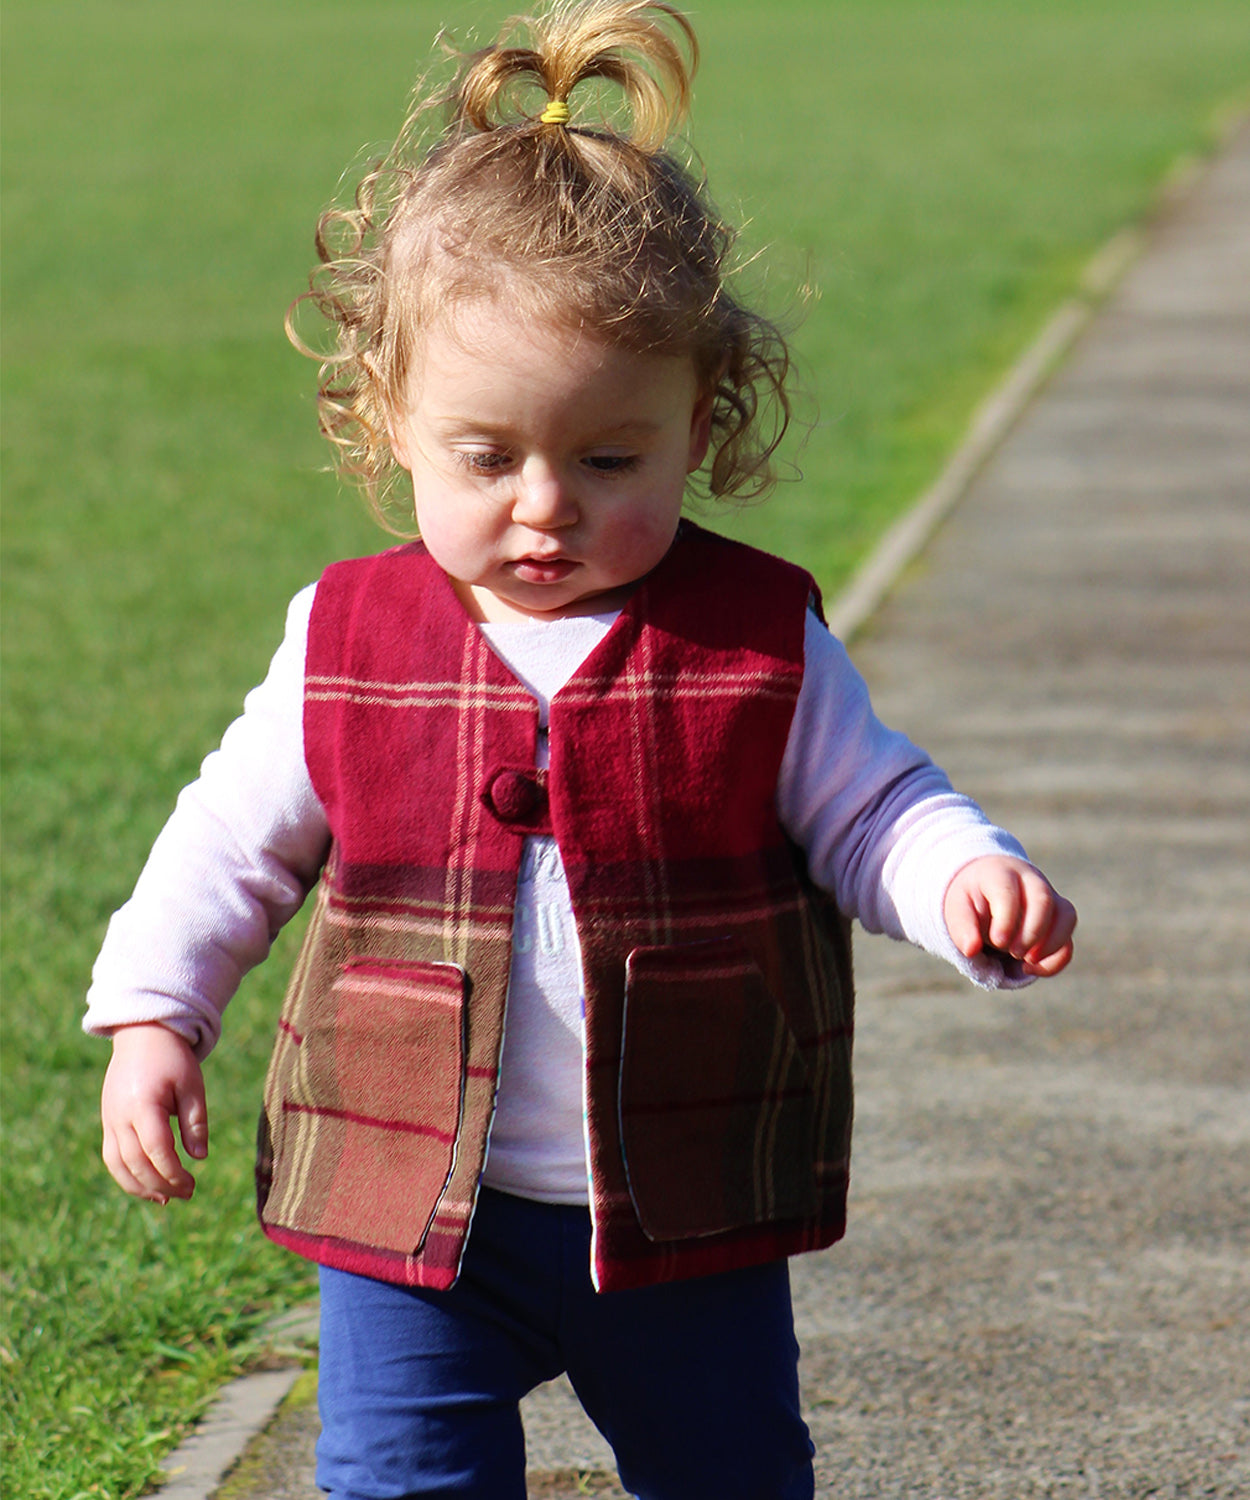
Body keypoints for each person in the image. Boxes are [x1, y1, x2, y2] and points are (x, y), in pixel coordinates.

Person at [86, 3, 1077, 1496]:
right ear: (390, 425)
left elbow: (871, 807)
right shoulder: (346, 637)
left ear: (700, 424)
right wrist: (157, 1014)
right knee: (401, 1480)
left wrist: (963, 882)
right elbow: (231, 842)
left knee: (730, 1470)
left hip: (680, 1203)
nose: (544, 505)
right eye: (487, 457)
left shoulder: (753, 637)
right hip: (407, 1205)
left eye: (609, 459)